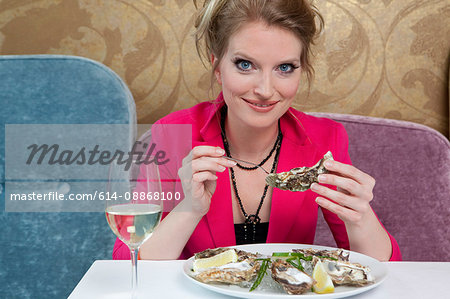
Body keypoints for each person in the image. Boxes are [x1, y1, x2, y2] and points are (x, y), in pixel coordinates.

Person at [113, 0, 401, 262]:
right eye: (245, 65)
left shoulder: (325, 139)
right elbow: (128, 263)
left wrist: (360, 218)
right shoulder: (172, 134)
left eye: (285, 68)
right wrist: (190, 208)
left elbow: (384, 270)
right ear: (217, 67)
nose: (265, 90)